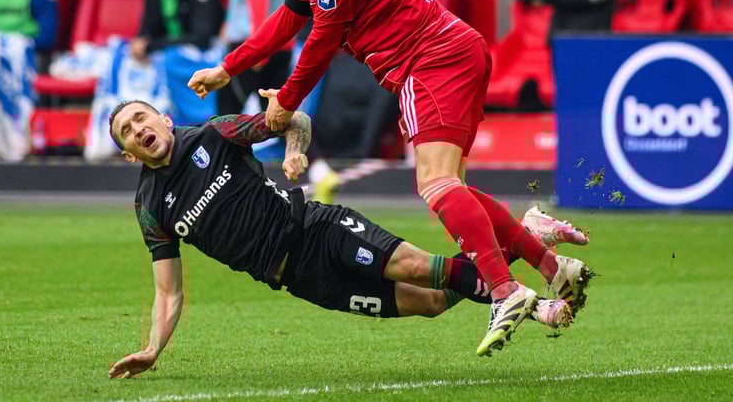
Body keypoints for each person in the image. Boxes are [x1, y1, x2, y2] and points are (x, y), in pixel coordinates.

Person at [188, 0, 593, 356]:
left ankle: (505, 291)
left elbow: (322, 39)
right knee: (453, 186)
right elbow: (290, 16)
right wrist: (229, 68)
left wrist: (286, 103)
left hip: (431, 62)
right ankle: (551, 265)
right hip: (455, 50)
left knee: (437, 184)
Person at [106, 100, 581, 378]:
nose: (139, 129)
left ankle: (530, 303)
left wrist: (294, 152)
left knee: (417, 266)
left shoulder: (214, 134)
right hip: (299, 279)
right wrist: (153, 349)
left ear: (165, 120)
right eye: (127, 131)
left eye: (142, 118)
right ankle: (520, 239)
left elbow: (294, 119)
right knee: (433, 301)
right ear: (128, 154)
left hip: (316, 230)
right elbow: (168, 290)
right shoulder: (150, 208)